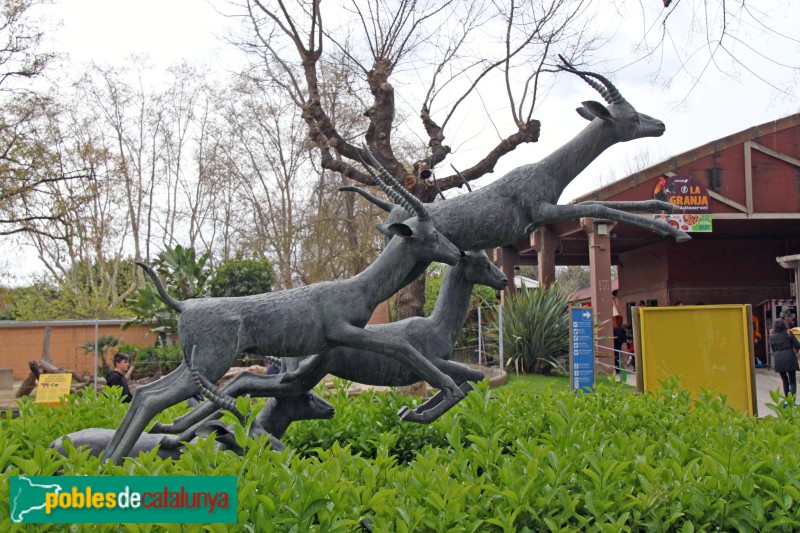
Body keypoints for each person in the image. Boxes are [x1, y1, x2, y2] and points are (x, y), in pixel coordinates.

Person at [768, 318, 800, 399]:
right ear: (784, 324)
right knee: (792, 381)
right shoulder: (788, 333)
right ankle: (792, 401)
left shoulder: (771, 336)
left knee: (785, 381)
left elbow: (773, 349)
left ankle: (787, 400)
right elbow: (797, 345)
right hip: (789, 357)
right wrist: (794, 348)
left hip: (778, 359)